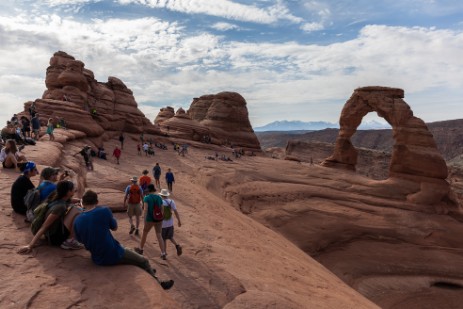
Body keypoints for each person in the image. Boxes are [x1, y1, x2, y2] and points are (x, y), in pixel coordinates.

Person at [73, 190, 174, 290]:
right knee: (144, 260)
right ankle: (159, 283)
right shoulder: (103, 211)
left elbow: (80, 240)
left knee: (129, 249)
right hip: (112, 254)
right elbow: (115, 227)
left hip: (96, 257)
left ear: (83, 203)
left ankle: (149, 269)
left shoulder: (77, 220)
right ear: (97, 201)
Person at [17, 180, 84, 252]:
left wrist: (80, 201)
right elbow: (44, 226)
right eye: (73, 189)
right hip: (55, 238)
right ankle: (70, 241)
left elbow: (70, 200)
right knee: (77, 211)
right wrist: (30, 245)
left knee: (75, 208)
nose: (75, 190)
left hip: (52, 232)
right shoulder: (60, 207)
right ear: (68, 192)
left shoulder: (56, 197)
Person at [134, 184, 166, 259]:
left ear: (149, 190)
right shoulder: (159, 197)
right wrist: (161, 217)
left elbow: (145, 210)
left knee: (144, 234)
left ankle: (141, 249)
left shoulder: (147, 198)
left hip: (150, 219)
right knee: (159, 236)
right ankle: (163, 253)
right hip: (158, 219)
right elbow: (162, 209)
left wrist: (144, 220)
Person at [159, 189, 182, 258]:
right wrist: (179, 220)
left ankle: (164, 253)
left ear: (162, 195)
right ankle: (177, 245)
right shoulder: (172, 202)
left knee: (163, 239)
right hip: (170, 223)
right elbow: (175, 212)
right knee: (170, 237)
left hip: (163, 224)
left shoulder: (161, 202)